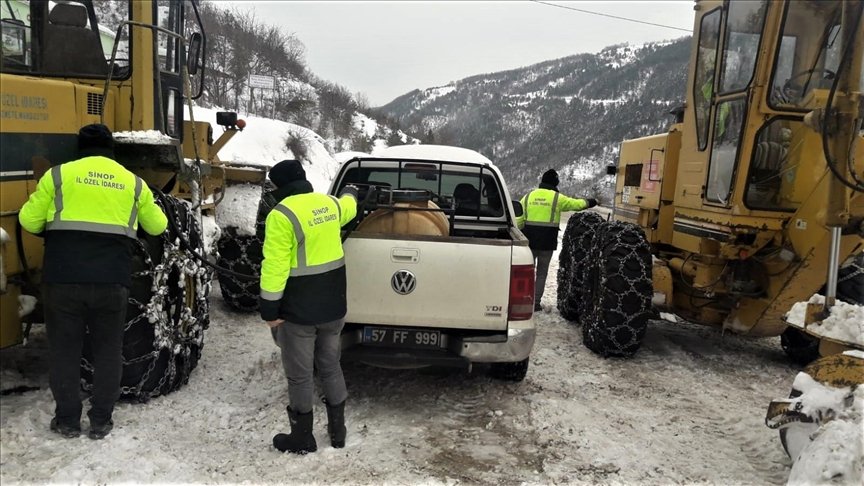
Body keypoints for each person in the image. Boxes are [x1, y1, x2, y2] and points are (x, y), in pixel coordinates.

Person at [18, 123, 168, 440]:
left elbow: (28, 220)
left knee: (64, 352)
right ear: (111, 149)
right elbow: (157, 226)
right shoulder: (133, 183)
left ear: (79, 148)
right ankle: (101, 420)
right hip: (112, 282)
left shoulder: (58, 176)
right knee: (108, 351)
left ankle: (68, 420)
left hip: (63, 281)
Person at [259, 159, 358, 454]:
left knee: (300, 375)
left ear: (280, 186)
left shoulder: (281, 215)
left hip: (299, 314)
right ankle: (338, 432)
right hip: (333, 309)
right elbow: (349, 206)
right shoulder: (329, 204)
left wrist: (269, 310)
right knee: (330, 366)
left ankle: (302, 437)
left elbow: (274, 266)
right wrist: (351, 191)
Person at [517, 169, 596, 312]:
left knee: (526, 272)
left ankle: (522, 300)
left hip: (529, 242)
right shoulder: (556, 198)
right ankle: (535, 303)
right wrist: (591, 202)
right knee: (541, 273)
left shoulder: (528, 197)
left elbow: (519, 220)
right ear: (555, 183)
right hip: (547, 242)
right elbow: (576, 204)